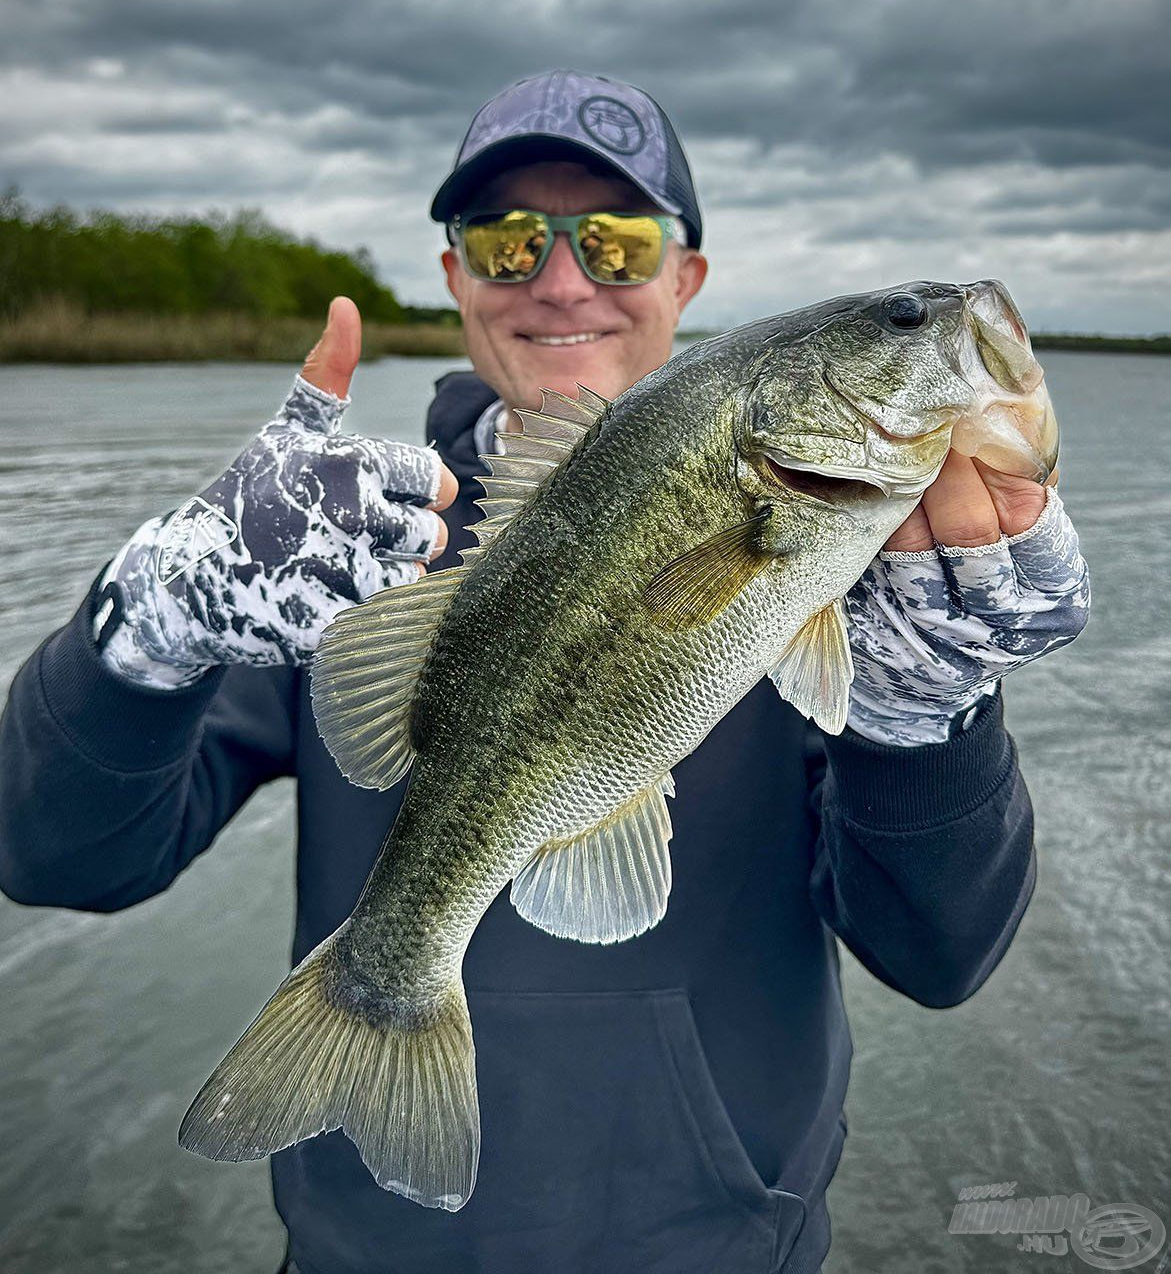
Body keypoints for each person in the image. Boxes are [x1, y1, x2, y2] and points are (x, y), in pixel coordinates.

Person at [0, 70, 1090, 1274]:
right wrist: (144, 629)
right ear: (456, 275)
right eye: (509, 240)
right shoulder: (330, 556)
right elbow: (57, 859)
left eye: (615, 242)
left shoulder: (870, 586)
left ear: (688, 279)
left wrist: (932, 717)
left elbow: (939, 959)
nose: (562, 280)